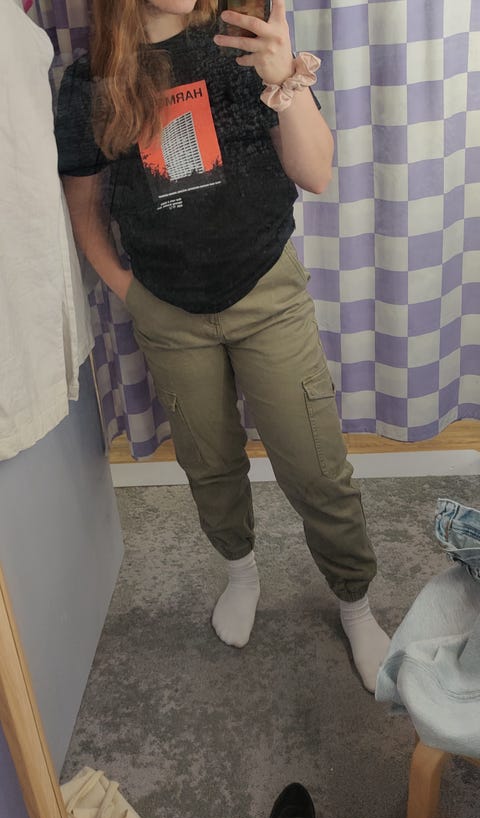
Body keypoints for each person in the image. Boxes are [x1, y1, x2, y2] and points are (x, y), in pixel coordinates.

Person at [55, 0, 389, 692]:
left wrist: (283, 78)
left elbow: (317, 173)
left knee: (316, 467)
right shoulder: (94, 79)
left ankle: (356, 602)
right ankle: (241, 573)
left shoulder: (245, 36)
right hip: (167, 309)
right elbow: (83, 205)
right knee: (208, 464)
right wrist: (130, 292)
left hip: (266, 293)